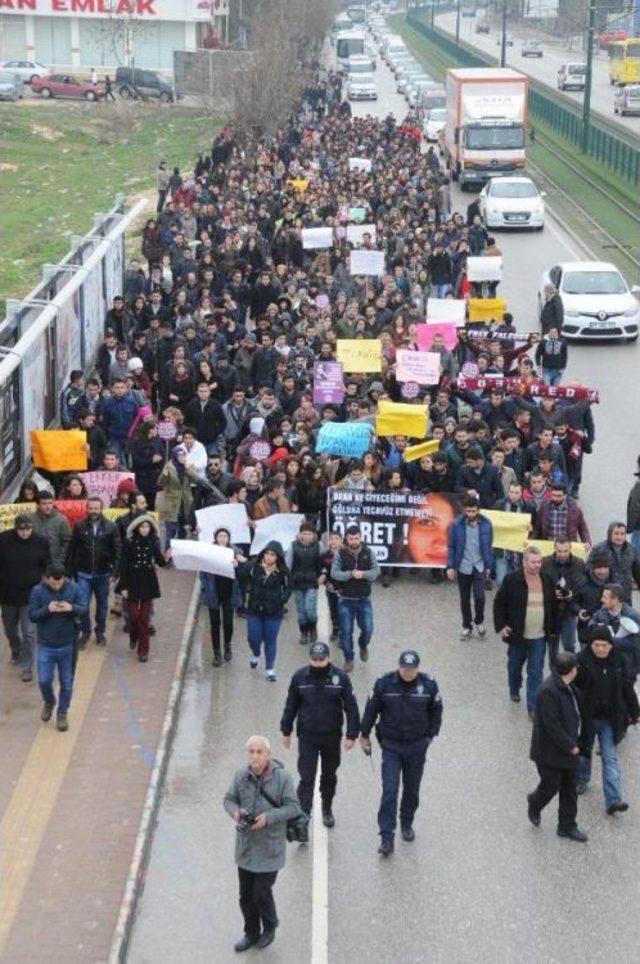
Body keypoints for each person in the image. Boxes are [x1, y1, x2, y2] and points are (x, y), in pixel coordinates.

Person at [360, 651, 443, 856]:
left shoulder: (429, 685)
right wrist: (364, 734)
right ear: (399, 667)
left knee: (412, 790)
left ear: (417, 668)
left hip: (416, 745)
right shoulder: (384, 684)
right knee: (389, 790)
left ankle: (406, 822)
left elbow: (437, 711)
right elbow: (371, 709)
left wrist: (430, 736)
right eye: (404, 668)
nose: (407, 672)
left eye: (411, 669)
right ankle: (386, 836)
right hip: (392, 746)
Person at [223, 735, 300, 952]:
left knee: (261, 893)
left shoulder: (283, 778)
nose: (255, 756)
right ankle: (251, 932)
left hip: (270, 848)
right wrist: (235, 813)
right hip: (246, 848)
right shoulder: (240, 776)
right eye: (251, 752)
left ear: (268, 755)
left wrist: (269, 817)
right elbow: (228, 799)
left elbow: (293, 807)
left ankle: (270, 925)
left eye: (259, 752)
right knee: (246, 896)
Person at [280, 642, 360, 832]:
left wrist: (351, 735)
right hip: (307, 735)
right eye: (314, 660)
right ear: (309, 659)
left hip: (331, 736)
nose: (317, 664)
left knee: (329, 775)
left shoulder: (339, 678)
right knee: (306, 777)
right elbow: (291, 704)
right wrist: (286, 731)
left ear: (328, 658)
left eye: (321, 660)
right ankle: (303, 816)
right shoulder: (300, 677)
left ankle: (327, 808)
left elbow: (351, 707)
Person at [574, 626, 640, 813]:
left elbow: (627, 688)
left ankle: (613, 800)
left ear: (611, 645)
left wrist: (635, 712)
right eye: (597, 645)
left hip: (610, 719)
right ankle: (582, 779)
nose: (601, 649)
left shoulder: (619, 660)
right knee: (584, 753)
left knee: (610, 758)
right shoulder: (580, 661)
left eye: (605, 645)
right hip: (586, 718)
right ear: (590, 644)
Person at [527, 652, 587, 843]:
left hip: (569, 750)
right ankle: (535, 802)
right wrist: (571, 746)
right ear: (572, 670)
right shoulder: (548, 691)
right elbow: (551, 724)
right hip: (549, 753)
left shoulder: (568, 687)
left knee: (569, 789)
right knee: (551, 786)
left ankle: (567, 826)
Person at [493, 545, 559, 717]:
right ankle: (514, 688)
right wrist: (501, 626)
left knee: (536, 672)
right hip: (518, 636)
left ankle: (533, 707)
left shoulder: (547, 579)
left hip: (539, 636)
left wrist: (553, 629)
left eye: (539, 562)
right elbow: (499, 603)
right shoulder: (511, 580)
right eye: (533, 562)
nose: (537, 565)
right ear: (524, 562)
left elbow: (553, 605)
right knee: (514, 667)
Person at [28, 563, 87, 732]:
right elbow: (32, 616)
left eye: (60, 582)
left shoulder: (74, 589)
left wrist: (71, 608)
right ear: (47, 579)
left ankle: (62, 713)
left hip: (67, 645)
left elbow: (83, 609)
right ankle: (49, 701)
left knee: (67, 683)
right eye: (53, 582)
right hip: (46, 645)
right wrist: (47, 609)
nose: (57, 585)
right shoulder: (37, 592)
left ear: (64, 578)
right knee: (44, 680)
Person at [0, 515, 51, 681]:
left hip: (31, 595)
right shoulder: (3, 540)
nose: (24, 533)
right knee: (10, 629)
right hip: (7, 594)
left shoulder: (41, 542)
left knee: (29, 633)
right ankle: (16, 649)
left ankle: (27, 667)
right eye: (21, 529)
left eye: (28, 529)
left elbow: (47, 565)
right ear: (15, 528)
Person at [66, 497, 120, 648]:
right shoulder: (79, 526)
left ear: (101, 509)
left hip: (103, 574)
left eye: (96, 508)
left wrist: (115, 572)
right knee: (82, 605)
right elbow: (72, 549)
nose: (93, 511)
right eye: (91, 508)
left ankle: (100, 631)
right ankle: (85, 632)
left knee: (102, 606)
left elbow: (117, 551)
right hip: (83, 574)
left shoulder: (111, 527)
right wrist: (69, 572)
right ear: (87, 509)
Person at [119, 514, 170, 662]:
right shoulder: (128, 542)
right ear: (136, 528)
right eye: (142, 527)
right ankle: (133, 636)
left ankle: (143, 650)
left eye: (147, 526)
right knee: (134, 617)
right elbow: (123, 565)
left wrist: (167, 557)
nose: (145, 529)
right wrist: (123, 586)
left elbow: (160, 562)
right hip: (132, 581)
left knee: (144, 618)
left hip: (148, 581)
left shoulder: (153, 541)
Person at [331, 524, 380, 673]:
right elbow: (334, 574)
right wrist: (351, 574)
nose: (354, 541)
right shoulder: (340, 553)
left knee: (368, 629)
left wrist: (363, 574)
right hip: (345, 599)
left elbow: (376, 572)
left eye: (356, 538)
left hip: (364, 599)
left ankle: (363, 645)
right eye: (351, 538)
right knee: (346, 632)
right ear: (346, 538)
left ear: (361, 537)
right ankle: (349, 659)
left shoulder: (369, 552)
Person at [239, 541, 291, 681]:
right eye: (267, 554)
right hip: (255, 610)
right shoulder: (254, 567)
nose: (268, 557)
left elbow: (288, 588)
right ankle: (255, 653)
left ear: (278, 557)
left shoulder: (283, 572)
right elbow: (241, 576)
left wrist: (281, 600)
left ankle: (269, 669)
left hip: (273, 612)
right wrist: (245, 564)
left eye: (272, 555)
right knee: (253, 638)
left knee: (270, 639)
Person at [446, 495, 494, 640]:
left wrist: (488, 565)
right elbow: (452, 547)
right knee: (464, 598)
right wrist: (450, 567)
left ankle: (479, 621)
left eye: (473, 511)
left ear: (478, 510)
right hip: (463, 566)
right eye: (468, 511)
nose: (471, 514)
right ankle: (467, 626)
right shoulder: (456, 525)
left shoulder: (486, 524)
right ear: (464, 510)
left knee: (480, 597)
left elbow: (489, 546)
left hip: (479, 565)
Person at [199, 527, 244, 666]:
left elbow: (244, 573)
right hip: (214, 592)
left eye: (225, 536)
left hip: (229, 592)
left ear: (229, 538)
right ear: (216, 538)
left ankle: (227, 644)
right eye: (220, 536)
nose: (222, 538)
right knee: (215, 624)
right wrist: (206, 587)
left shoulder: (236, 552)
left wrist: (238, 566)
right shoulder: (209, 552)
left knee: (228, 623)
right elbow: (202, 573)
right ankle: (216, 653)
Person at [541, 536, 586, 657]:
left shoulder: (579, 563)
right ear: (554, 549)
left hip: (570, 611)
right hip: (551, 612)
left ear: (570, 549)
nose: (562, 554)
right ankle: (555, 673)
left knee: (569, 645)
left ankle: (570, 671)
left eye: (566, 551)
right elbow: (539, 585)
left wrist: (572, 594)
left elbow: (582, 587)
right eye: (559, 551)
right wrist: (551, 593)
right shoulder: (545, 563)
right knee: (552, 647)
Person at [290, 521, 322, 646]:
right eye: (304, 533)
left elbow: (323, 562)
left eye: (309, 533)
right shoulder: (293, 546)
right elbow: (288, 564)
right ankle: (303, 632)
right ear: (300, 534)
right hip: (297, 583)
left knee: (310, 609)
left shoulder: (319, 546)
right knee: (301, 612)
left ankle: (313, 627)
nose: (307, 536)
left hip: (312, 583)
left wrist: (322, 575)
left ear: (313, 534)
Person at [589, 521, 635, 602]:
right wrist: (600, 584)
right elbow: (588, 570)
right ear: (610, 534)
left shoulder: (632, 550)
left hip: (625, 597)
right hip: (604, 597)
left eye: (622, 534)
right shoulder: (598, 549)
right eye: (616, 533)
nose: (619, 537)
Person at [30, 491, 72, 569]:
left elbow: (67, 542)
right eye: (44, 503)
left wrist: (59, 562)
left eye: (50, 503)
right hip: (35, 564)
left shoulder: (61, 519)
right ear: (37, 505)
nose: (48, 506)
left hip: (54, 564)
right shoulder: (30, 519)